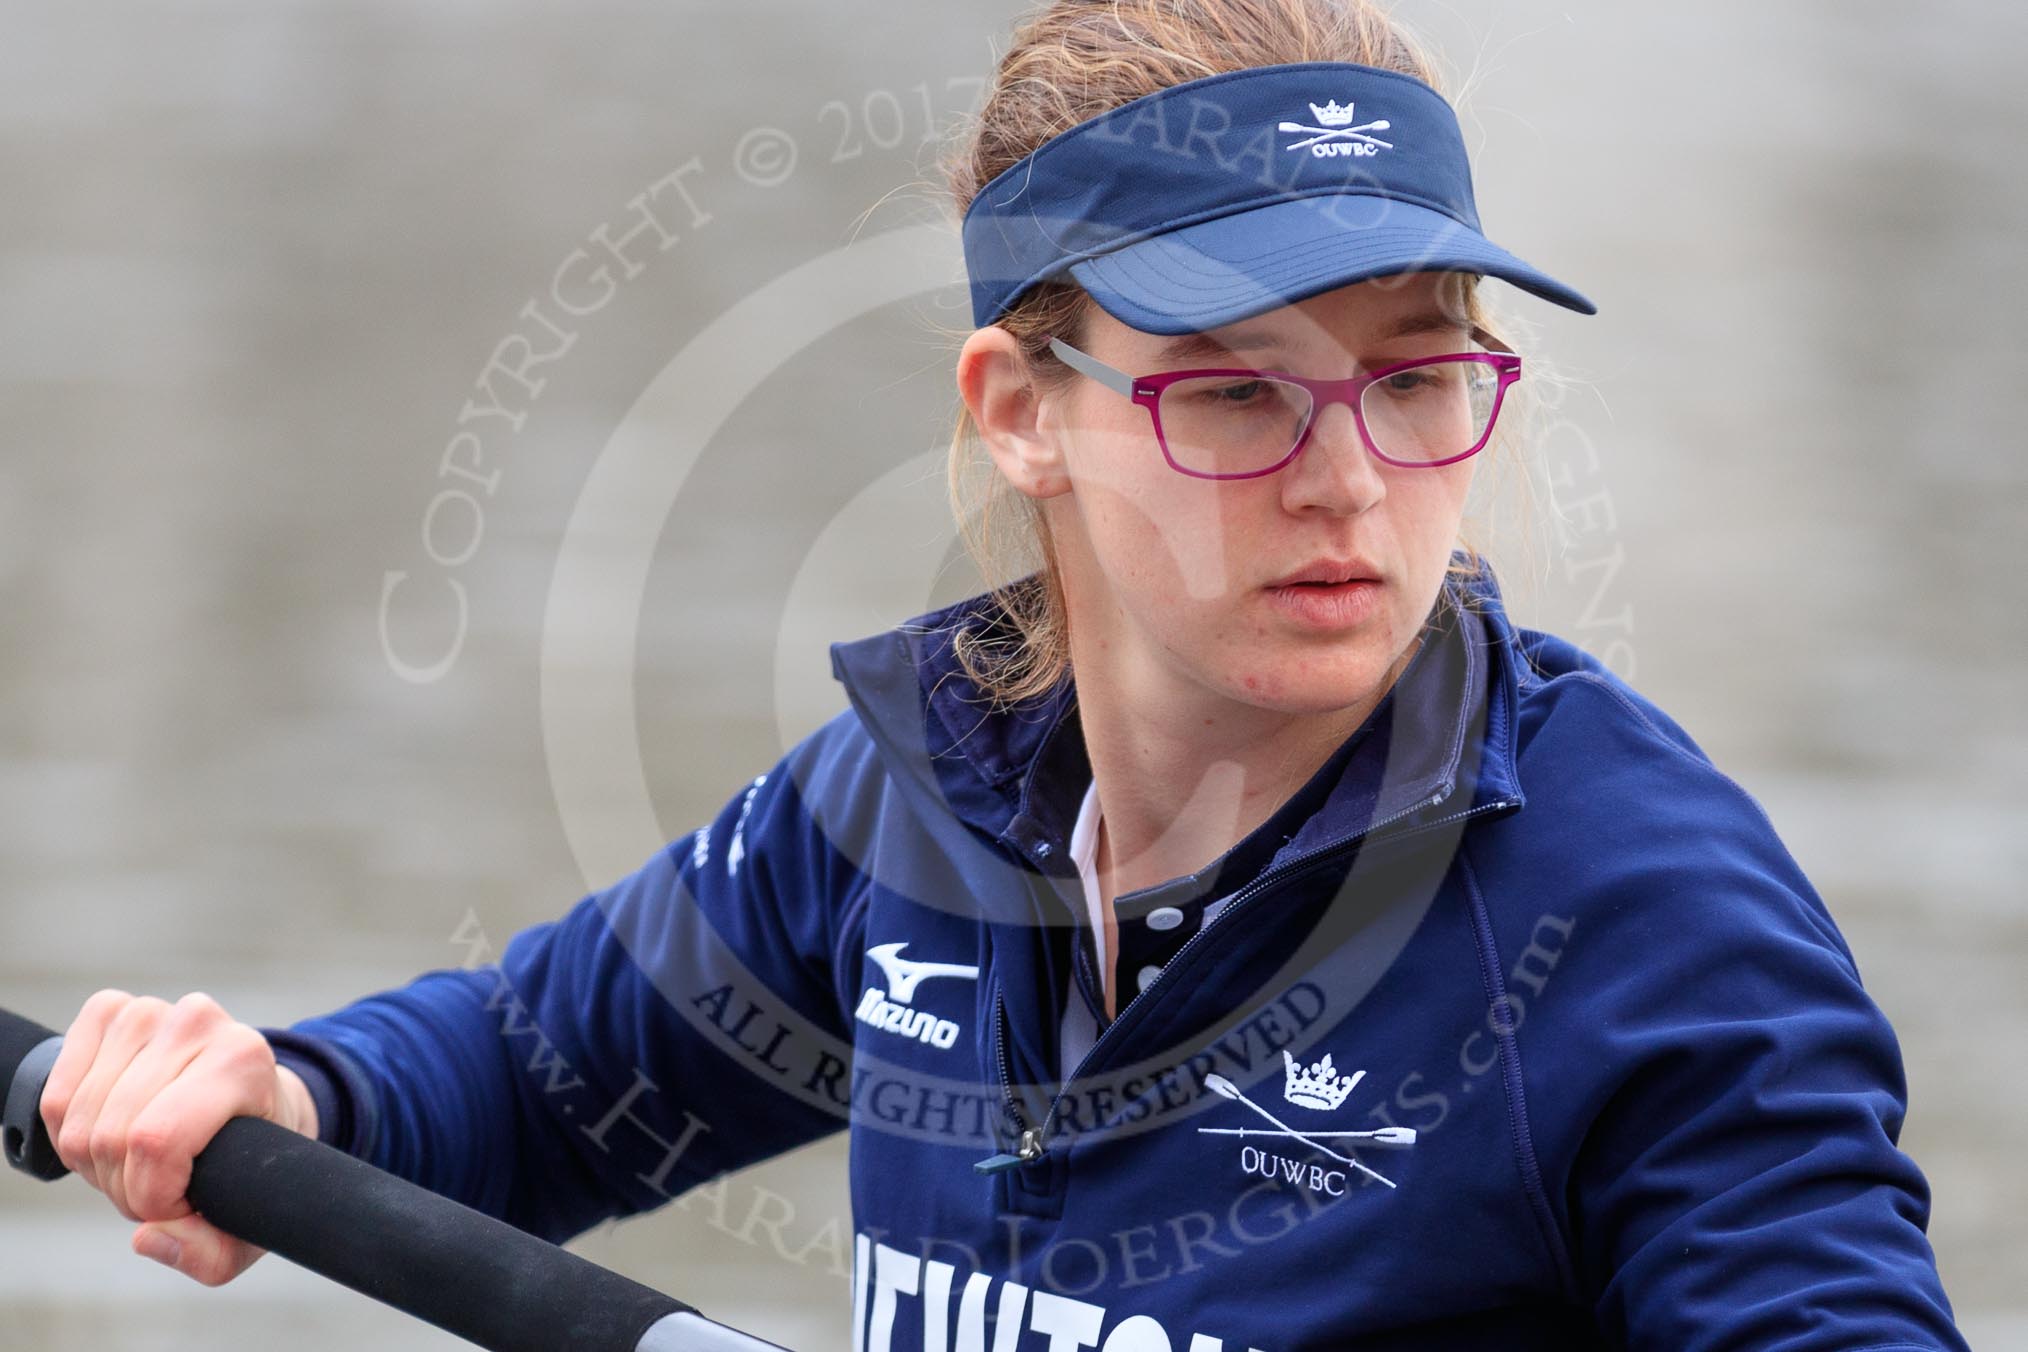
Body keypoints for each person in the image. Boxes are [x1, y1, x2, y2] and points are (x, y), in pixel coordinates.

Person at [38, 2, 1969, 1347]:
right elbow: (528, 1087)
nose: (1354, 481)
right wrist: (278, 1096)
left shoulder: (1641, 917)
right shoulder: (927, 799)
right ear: (1021, 410)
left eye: (1419, 371)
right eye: (1236, 392)